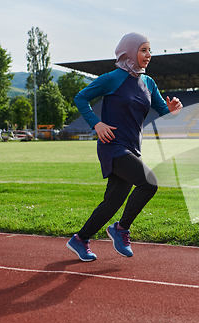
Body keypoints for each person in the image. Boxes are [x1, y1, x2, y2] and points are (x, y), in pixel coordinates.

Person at [67, 32, 183, 261]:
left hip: (132, 148)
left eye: (150, 50)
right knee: (149, 183)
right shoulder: (112, 78)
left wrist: (173, 110)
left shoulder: (148, 82)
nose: (148, 55)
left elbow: (163, 112)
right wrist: (96, 124)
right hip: (113, 146)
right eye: (143, 50)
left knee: (112, 202)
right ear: (129, 51)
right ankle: (121, 229)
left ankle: (80, 239)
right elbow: (81, 97)